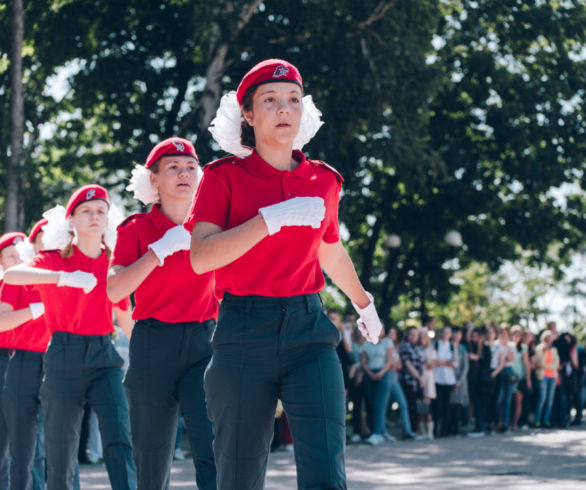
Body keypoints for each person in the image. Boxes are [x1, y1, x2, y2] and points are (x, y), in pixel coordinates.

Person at [186, 59, 383, 490]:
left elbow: (329, 249)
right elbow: (201, 258)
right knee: (238, 474)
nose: (284, 109)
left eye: (293, 99)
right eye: (270, 100)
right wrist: (267, 221)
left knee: (327, 473)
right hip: (242, 333)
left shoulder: (324, 181)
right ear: (250, 116)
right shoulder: (223, 178)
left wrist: (363, 302)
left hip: (309, 332)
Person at [3, 185, 137, 490]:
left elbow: (126, 315)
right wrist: (62, 278)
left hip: (105, 356)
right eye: (86, 211)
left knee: (120, 438)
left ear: (108, 220)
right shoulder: (53, 259)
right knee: (60, 448)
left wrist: (144, 361)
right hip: (63, 354)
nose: (94, 216)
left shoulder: (115, 264)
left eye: (101, 211)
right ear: (71, 221)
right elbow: (12, 276)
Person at [108, 137, 217, 489]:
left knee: (211, 447)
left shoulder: (213, 225)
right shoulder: (135, 228)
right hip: (153, 345)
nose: (183, 173)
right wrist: (157, 252)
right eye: (173, 167)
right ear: (154, 179)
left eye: (190, 167)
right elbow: (114, 290)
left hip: (205, 342)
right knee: (151, 455)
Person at [0, 220, 50, 489]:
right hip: (8, 360)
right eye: (11, 256)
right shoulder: (10, 282)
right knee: (7, 438)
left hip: (40, 359)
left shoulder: (39, 276)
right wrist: (35, 311)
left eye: (20, 255)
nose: (17, 259)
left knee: (39, 441)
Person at [399, 327, 425, 435]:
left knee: (417, 406)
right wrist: (419, 377)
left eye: (416, 334)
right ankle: (409, 430)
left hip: (419, 382)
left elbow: (422, 364)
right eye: (411, 334)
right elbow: (407, 364)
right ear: (407, 335)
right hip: (408, 381)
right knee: (410, 406)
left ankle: (415, 429)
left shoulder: (419, 348)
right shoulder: (404, 346)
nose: (414, 336)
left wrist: (422, 377)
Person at [433, 326, 456, 437]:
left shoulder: (452, 346)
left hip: (449, 379)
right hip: (437, 378)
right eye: (444, 332)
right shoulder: (436, 345)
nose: (445, 334)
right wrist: (446, 363)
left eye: (448, 332)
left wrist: (443, 363)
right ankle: (436, 428)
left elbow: (454, 363)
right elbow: (434, 361)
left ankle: (445, 429)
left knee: (447, 405)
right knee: (437, 404)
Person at [467, 327, 491, 436]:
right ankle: (478, 426)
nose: (473, 339)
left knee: (480, 404)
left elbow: (487, 364)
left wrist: (477, 358)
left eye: (475, 336)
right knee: (475, 404)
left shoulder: (485, 348)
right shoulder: (471, 347)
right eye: (472, 336)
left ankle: (480, 427)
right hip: (472, 380)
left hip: (482, 382)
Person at [535, 330, 560, 428]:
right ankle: (537, 420)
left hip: (552, 376)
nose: (549, 340)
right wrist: (545, 351)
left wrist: (548, 366)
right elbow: (540, 364)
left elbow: (556, 364)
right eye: (547, 338)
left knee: (550, 400)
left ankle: (546, 421)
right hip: (542, 376)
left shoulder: (554, 350)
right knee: (542, 399)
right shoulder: (539, 349)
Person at [510, 325, 531, 431]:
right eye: (514, 334)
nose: (516, 336)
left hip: (519, 377)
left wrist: (528, 378)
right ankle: (507, 422)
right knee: (508, 400)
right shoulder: (508, 346)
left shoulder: (524, 347)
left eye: (518, 334)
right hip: (509, 376)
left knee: (518, 401)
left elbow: (527, 363)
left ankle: (515, 423)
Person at [449, 327, 469, 436]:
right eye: (455, 333)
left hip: (460, 380)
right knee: (449, 404)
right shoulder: (447, 346)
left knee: (458, 404)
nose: (457, 336)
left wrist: (460, 380)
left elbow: (465, 366)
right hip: (448, 378)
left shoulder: (462, 349)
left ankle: (456, 428)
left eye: (459, 334)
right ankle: (449, 428)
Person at [419, 329, 436, 439]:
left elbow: (431, 365)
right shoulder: (417, 349)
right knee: (420, 406)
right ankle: (423, 432)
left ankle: (430, 432)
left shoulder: (431, 350)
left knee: (427, 406)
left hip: (428, 379)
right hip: (419, 379)